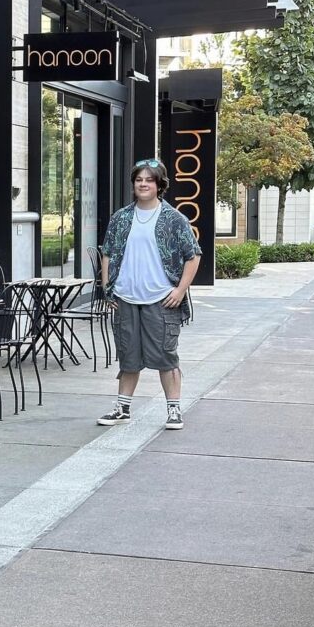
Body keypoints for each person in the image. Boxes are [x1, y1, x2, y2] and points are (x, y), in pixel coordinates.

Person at [97, 158, 201, 431]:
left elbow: (193, 257)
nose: (143, 184)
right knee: (128, 357)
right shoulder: (121, 218)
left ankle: (174, 410)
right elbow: (107, 253)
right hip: (125, 298)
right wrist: (108, 289)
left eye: (149, 180)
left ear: (159, 185)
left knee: (166, 357)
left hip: (161, 299)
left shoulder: (174, 219)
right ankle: (122, 408)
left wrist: (180, 291)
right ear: (133, 183)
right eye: (139, 179)